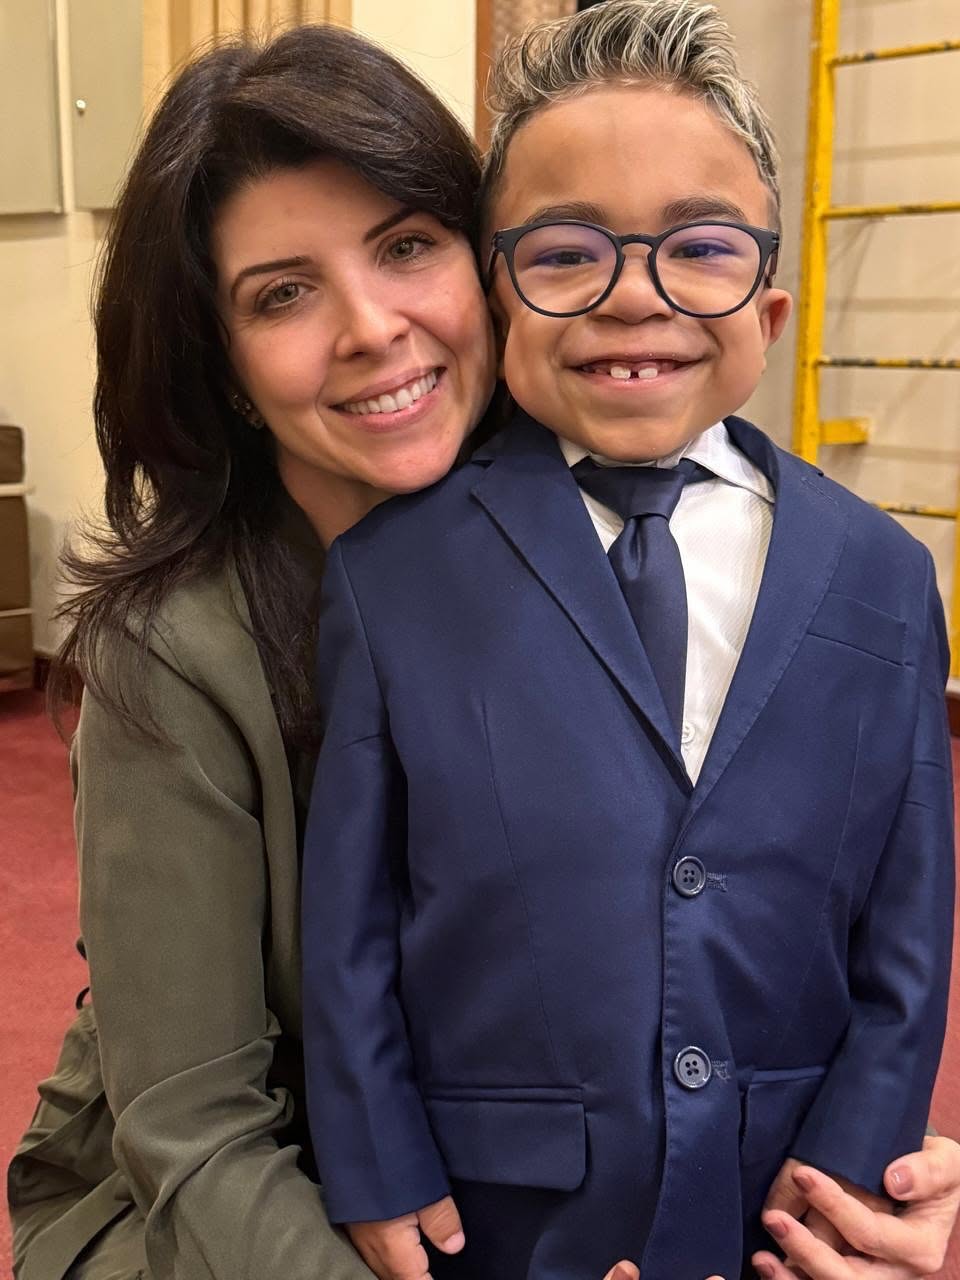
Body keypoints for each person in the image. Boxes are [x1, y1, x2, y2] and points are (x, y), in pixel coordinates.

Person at [6, 14, 958, 1280]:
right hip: (221, 1207)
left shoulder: (699, 522)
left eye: (407, 246)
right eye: (282, 292)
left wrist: (869, 1174)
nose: (371, 327)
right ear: (223, 360)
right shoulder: (177, 650)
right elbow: (195, 1135)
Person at [298, 3, 956, 1280]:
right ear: (497, 297)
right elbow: (352, 917)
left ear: (769, 308)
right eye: (565, 252)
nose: (635, 298)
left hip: (780, 1200)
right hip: (498, 1208)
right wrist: (374, 1153)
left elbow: (907, 932)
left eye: (700, 248)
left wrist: (852, 1184)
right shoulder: (392, 576)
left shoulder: (883, 574)